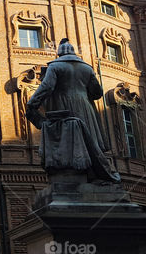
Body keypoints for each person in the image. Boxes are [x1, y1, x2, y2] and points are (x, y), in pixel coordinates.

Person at [26, 39, 120, 183]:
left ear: (59, 53)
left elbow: (47, 87)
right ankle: (93, 174)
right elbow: (97, 93)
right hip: (85, 108)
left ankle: (71, 173)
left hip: (63, 106)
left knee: (69, 140)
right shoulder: (87, 69)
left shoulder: (55, 66)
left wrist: (32, 103)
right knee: (89, 141)